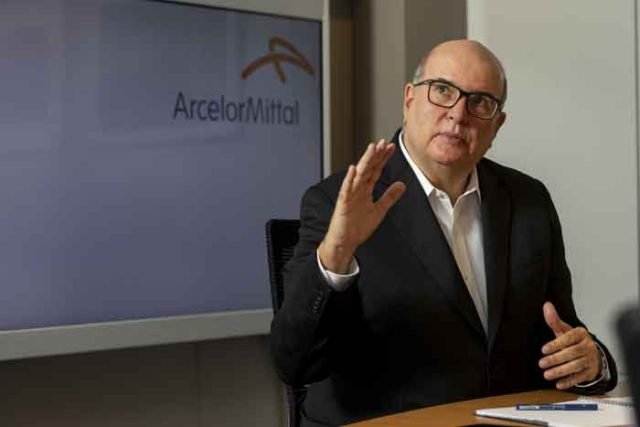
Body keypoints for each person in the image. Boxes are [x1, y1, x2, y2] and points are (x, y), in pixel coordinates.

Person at [270, 39, 617, 427]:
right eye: (443, 91)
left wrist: (592, 363)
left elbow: (562, 336)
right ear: (409, 99)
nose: (458, 114)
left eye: (480, 102)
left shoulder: (529, 200)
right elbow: (294, 363)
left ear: (498, 124)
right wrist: (336, 254)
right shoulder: (338, 201)